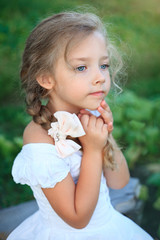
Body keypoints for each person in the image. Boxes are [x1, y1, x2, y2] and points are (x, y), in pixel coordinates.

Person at [7, 11, 153, 240]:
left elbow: (119, 181)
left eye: (103, 65)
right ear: (47, 79)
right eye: (81, 68)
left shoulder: (90, 113)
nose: (100, 77)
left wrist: (106, 138)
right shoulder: (39, 137)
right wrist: (93, 151)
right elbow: (77, 219)